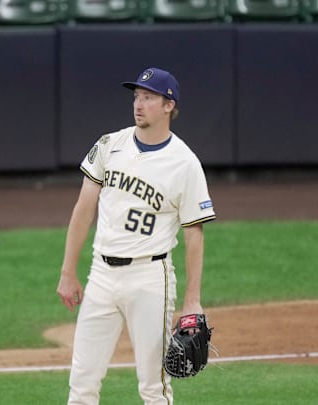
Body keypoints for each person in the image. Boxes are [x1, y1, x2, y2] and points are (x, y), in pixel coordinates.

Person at [56, 68, 216, 404]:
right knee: (81, 383)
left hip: (150, 279)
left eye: (148, 97)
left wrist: (192, 300)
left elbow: (194, 235)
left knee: (153, 386)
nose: (138, 104)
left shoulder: (185, 164)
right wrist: (68, 271)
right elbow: (83, 208)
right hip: (101, 275)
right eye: (136, 97)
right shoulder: (109, 145)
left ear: (168, 105)